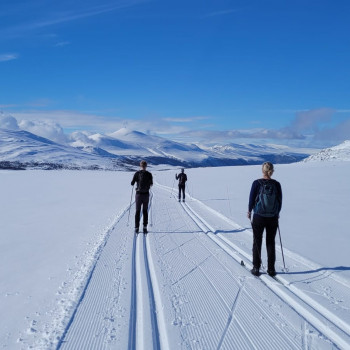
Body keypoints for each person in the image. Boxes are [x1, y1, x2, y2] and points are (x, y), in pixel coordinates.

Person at [247, 162, 282, 277]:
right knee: (270, 242)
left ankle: (256, 267)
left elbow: (252, 199)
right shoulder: (276, 184)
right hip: (272, 217)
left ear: (263, 171)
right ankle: (271, 269)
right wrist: (277, 213)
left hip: (258, 216)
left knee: (257, 241)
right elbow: (279, 200)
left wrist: (249, 211)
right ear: (272, 171)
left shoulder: (256, 183)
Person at [131, 160, 153, 234]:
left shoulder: (137, 173)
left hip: (138, 195)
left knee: (137, 211)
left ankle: (136, 228)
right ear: (146, 166)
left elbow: (132, 183)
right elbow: (151, 184)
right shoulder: (149, 174)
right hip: (146, 195)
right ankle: (144, 228)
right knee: (145, 211)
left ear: (140, 166)